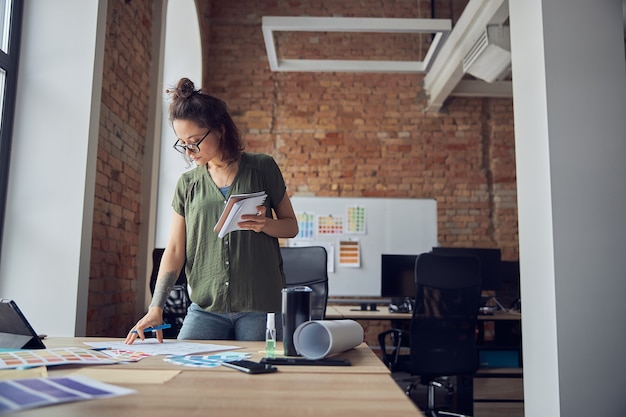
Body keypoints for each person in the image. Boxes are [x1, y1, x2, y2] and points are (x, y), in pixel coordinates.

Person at [126, 77, 298, 344]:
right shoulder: (188, 183)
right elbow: (174, 250)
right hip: (206, 309)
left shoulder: (262, 168)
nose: (188, 150)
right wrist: (155, 307)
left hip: (259, 306)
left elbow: (290, 226)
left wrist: (265, 224)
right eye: (182, 143)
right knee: (185, 375)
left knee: (256, 381)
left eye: (194, 141)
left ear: (220, 130)